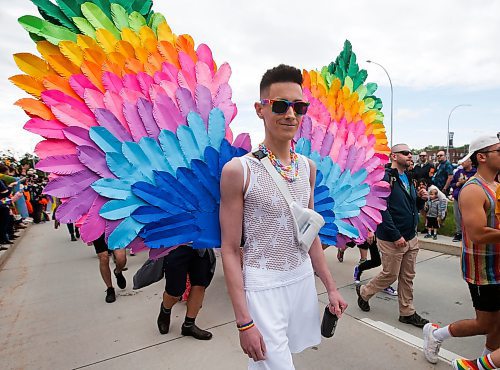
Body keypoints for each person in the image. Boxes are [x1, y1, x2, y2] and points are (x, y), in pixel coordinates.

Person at [220, 64, 347, 369]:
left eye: (299, 107)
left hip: (300, 279)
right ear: (260, 109)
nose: (290, 114)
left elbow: (310, 232)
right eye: (279, 105)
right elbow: (229, 248)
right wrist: (243, 321)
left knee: (275, 361)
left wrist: (330, 287)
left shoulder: (308, 168)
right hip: (262, 286)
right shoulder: (239, 171)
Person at [422, 135, 500, 365]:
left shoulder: (496, 186)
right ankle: (435, 335)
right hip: (482, 270)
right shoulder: (473, 190)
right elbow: (478, 233)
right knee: (485, 324)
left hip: (498, 265)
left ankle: (486, 362)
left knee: (497, 323)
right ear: (482, 157)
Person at [356, 143, 430, 328]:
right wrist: (395, 235)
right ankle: (364, 292)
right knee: (390, 275)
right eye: (405, 153)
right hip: (392, 238)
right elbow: (382, 209)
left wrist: (421, 199)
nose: (410, 155)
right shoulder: (386, 177)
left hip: (411, 236)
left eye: (410, 152)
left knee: (407, 276)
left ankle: (407, 312)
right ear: (394, 156)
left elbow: (413, 208)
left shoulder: (410, 179)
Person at [156, 245, 215, 340]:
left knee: (200, 285)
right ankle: (165, 310)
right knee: (175, 292)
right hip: (176, 245)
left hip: (201, 245)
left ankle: (189, 325)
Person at [353, 231, 398, 296]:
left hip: (393, 234)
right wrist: (369, 231)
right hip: (377, 233)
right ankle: (359, 268)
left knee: (382, 262)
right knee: (376, 261)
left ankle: (385, 284)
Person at [92, 234, 127, 303]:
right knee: (103, 258)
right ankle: (110, 288)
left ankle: (118, 271)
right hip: (97, 228)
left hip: (115, 227)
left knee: (121, 258)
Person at [450, 158, 477, 242]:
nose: (462, 162)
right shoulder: (459, 172)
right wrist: (458, 183)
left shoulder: (475, 172)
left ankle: (469, 233)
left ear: (470, 162)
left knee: (470, 216)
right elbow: (452, 183)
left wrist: (466, 181)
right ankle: (459, 233)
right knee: (457, 216)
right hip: (458, 196)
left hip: (470, 198)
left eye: (465, 160)